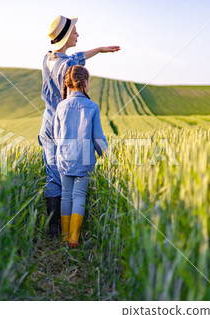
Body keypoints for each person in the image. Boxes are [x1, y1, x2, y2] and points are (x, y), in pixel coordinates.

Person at [39, 15, 119, 238]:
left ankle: (54, 229)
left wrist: (100, 50)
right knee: (61, 180)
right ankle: (62, 233)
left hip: (49, 126)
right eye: (74, 31)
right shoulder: (69, 67)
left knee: (53, 175)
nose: (77, 34)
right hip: (66, 128)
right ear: (66, 36)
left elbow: (75, 57)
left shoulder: (48, 58)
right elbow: (74, 65)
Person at [53, 65, 108, 248]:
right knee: (79, 197)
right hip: (84, 158)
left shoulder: (61, 106)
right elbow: (97, 137)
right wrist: (106, 155)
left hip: (64, 157)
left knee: (66, 196)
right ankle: (74, 240)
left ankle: (64, 237)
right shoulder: (92, 106)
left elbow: (55, 135)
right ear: (84, 83)